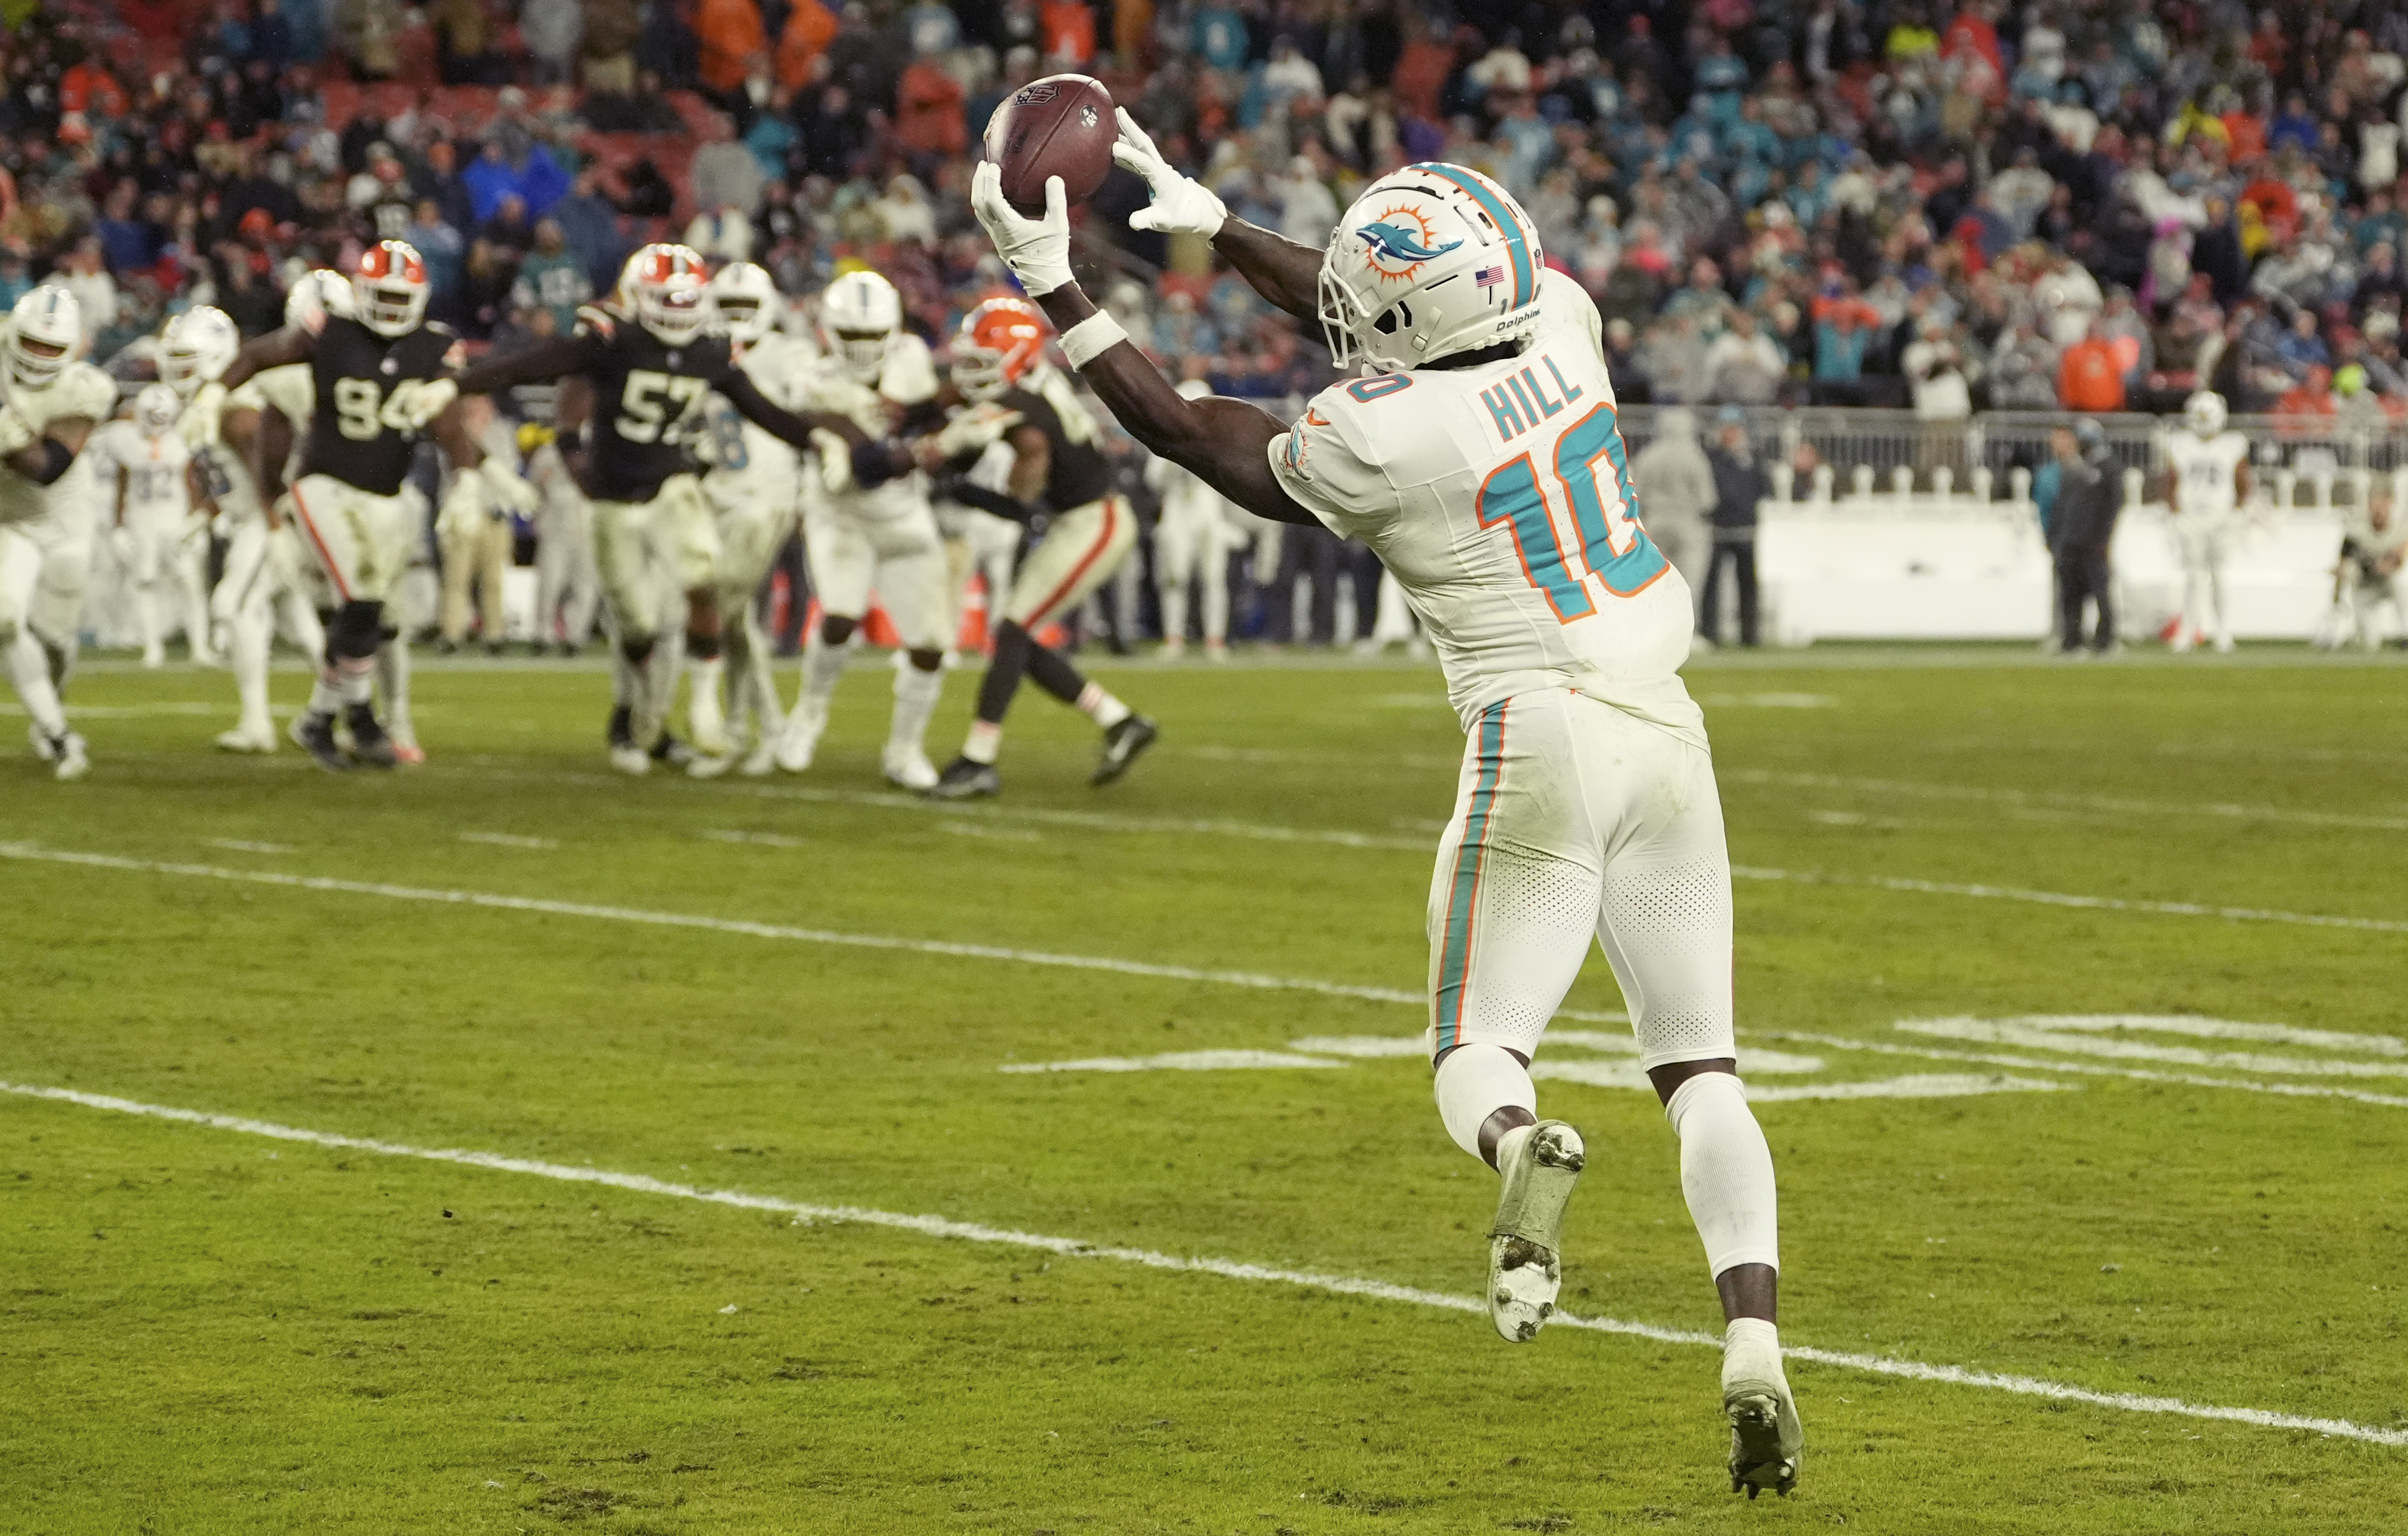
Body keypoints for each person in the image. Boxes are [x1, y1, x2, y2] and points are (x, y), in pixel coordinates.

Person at [985, 120, 1796, 1494]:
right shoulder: (1572, 324)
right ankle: (1755, 1343)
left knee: (1476, 1049)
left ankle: (1517, 1146)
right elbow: (1384, 308)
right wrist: (1220, 225)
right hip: (1665, 723)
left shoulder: (1381, 435)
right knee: (1701, 1069)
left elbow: (1194, 429)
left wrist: (1057, 286)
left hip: (1535, 731)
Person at [446, 243, 890, 774]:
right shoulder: (628, 340)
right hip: (644, 489)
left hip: (704, 492)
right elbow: (559, 367)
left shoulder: (746, 353)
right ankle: (641, 719)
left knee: (709, 602)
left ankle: (713, 719)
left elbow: (780, 407)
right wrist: (561, 440)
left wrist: (828, 430)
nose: (730, 319)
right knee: (641, 623)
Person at [208, 243, 497, 771]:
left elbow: (449, 423)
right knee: (359, 601)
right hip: (322, 487)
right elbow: (264, 414)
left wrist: (473, 476)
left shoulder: (432, 347)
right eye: (380, 295)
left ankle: (332, 716)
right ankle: (353, 717)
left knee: (375, 616)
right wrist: (270, 499)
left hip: (385, 493)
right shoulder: (328, 337)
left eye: (398, 296)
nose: (388, 307)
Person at [920, 297, 1159, 800]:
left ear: (1017, 357)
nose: (969, 372)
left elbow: (1021, 496)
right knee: (1018, 641)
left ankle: (978, 759)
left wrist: (944, 463)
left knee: (1012, 631)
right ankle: (1120, 721)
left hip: (1094, 523)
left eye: (981, 361)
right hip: (1078, 520)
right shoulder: (1033, 388)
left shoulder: (1026, 409)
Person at [766, 270, 954, 788]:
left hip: (904, 517)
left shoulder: (912, 360)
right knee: (841, 616)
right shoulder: (811, 381)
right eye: (852, 335)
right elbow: (868, 455)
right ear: (829, 332)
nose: (864, 347)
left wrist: (932, 433)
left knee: (931, 643)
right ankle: (808, 714)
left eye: (873, 335)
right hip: (840, 517)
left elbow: (927, 414)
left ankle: (904, 749)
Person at [169, 293, 329, 756]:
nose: (178, 369)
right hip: (255, 520)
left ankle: (258, 723)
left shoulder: (238, 410)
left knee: (233, 606)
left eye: (187, 360)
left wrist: (279, 529)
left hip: (268, 522)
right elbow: (231, 481)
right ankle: (346, 710)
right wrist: (205, 514)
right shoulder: (216, 405)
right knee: (299, 626)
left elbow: (265, 471)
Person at [0, 285, 116, 780]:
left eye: (52, 348)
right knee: (5, 618)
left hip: (62, 514)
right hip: (10, 518)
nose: (40, 355)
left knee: (56, 638)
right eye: (33, 343)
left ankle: (54, 705)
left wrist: (8, 437)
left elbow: (48, 466)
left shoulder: (85, 388)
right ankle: (57, 731)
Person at [88, 383, 211, 668]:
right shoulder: (125, 440)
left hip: (176, 518)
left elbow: (192, 481)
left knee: (190, 582)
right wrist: (120, 526)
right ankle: (153, 648)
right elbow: (122, 483)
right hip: (142, 520)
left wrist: (197, 520)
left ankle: (200, 648)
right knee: (145, 581)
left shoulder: (182, 440)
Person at [1148, 378, 1239, 658]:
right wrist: (1174, 453)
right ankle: (1174, 638)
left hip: (1206, 506)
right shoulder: (1165, 437)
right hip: (1177, 506)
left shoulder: (1220, 439)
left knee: (1213, 577)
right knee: (1175, 576)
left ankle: (1215, 639)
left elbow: (1231, 479)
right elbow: (1153, 480)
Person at [2161, 389, 2251, 652]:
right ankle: (2189, 630)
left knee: (2219, 575)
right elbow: (2170, 481)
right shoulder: (2179, 443)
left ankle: (2223, 631)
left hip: (2220, 516)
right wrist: (2175, 512)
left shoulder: (2233, 444)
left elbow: (2244, 483)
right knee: (2192, 577)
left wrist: (2236, 512)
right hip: (2191, 517)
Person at [1628, 406, 1715, 625]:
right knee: (1689, 581)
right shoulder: (1694, 456)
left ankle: (1652, 628)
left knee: (1654, 581)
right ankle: (1686, 631)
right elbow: (1708, 500)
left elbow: (1635, 493)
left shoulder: (1648, 456)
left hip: (1654, 521)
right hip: (1687, 521)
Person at [2052, 420, 2121, 654]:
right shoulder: (2074, 469)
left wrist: (2103, 537)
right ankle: (2072, 640)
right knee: (2071, 594)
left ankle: (2105, 640)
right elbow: (2062, 506)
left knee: (2100, 592)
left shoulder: (2108, 467)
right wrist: (2058, 536)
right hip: (2071, 541)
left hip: (2093, 543)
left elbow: (2113, 505)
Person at [1701, 408, 1767, 646]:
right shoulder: (1713, 457)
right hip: (1719, 528)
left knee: (1748, 585)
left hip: (1745, 528)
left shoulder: (1750, 458)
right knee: (1712, 584)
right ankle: (1710, 633)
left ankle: (1750, 635)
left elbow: (1762, 486)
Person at [2319, 484, 2408, 648]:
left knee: (2403, 583)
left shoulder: (2400, 527)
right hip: (2365, 588)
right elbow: (2344, 560)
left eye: (2383, 506)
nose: (2379, 512)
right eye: (2375, 507)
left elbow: (2401, 556)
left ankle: (2406, 635)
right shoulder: (2356, 528)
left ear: (2390, 505)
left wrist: (2387, 564)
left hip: (2388, 583)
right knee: (2371, 645)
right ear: (2369, 506)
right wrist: (2338, 588)